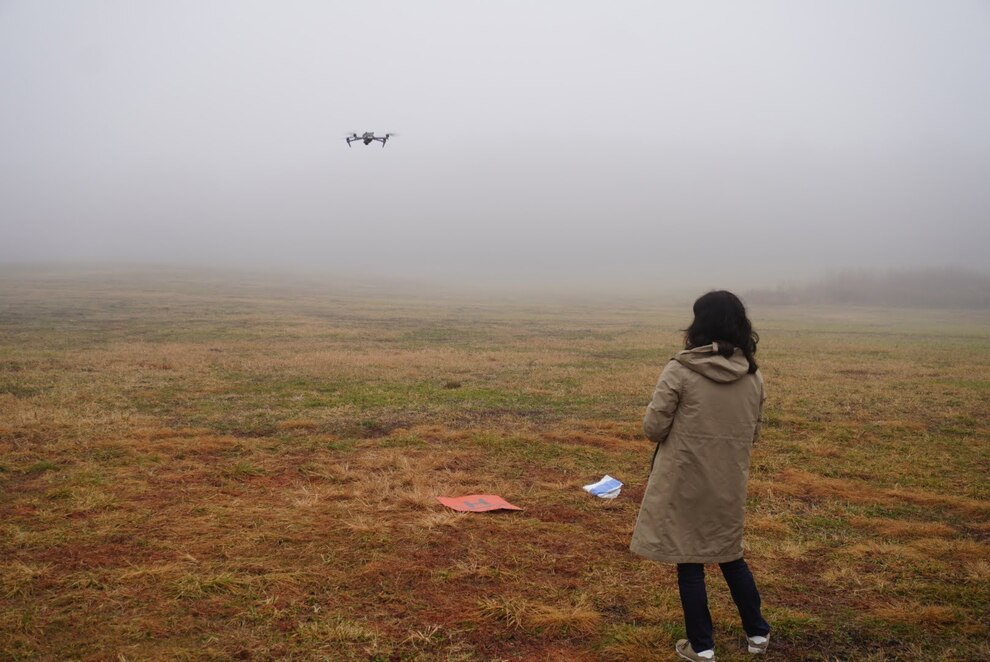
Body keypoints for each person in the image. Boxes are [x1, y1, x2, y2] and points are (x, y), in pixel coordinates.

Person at [630, 290, 771, 661]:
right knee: (730, 554)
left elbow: (653, 427)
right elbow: (753, 432)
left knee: (689, 560)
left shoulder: (680, 369)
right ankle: (758, 633)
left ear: (698, 324)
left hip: (684, 478)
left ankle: (702, 646)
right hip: (729, 481)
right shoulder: (753, 377)